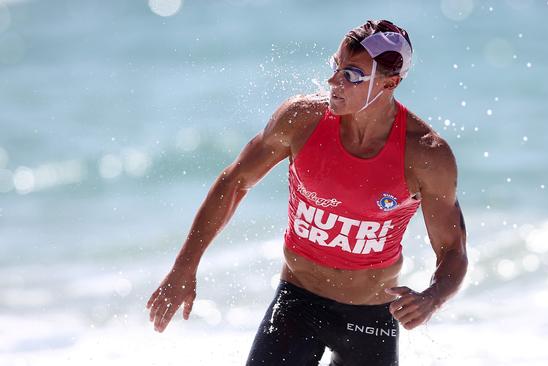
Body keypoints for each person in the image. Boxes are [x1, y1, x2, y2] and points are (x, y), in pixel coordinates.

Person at [146, 19, 468, 365]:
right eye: (336, 66)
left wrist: (433, 297)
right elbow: (235, 181)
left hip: (371, 317)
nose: (334, 82)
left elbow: (453, 249)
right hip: (297, 302)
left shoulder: (425, 155)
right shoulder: (301, 119)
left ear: (391, 82)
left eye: (352, 75)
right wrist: (184, 267)